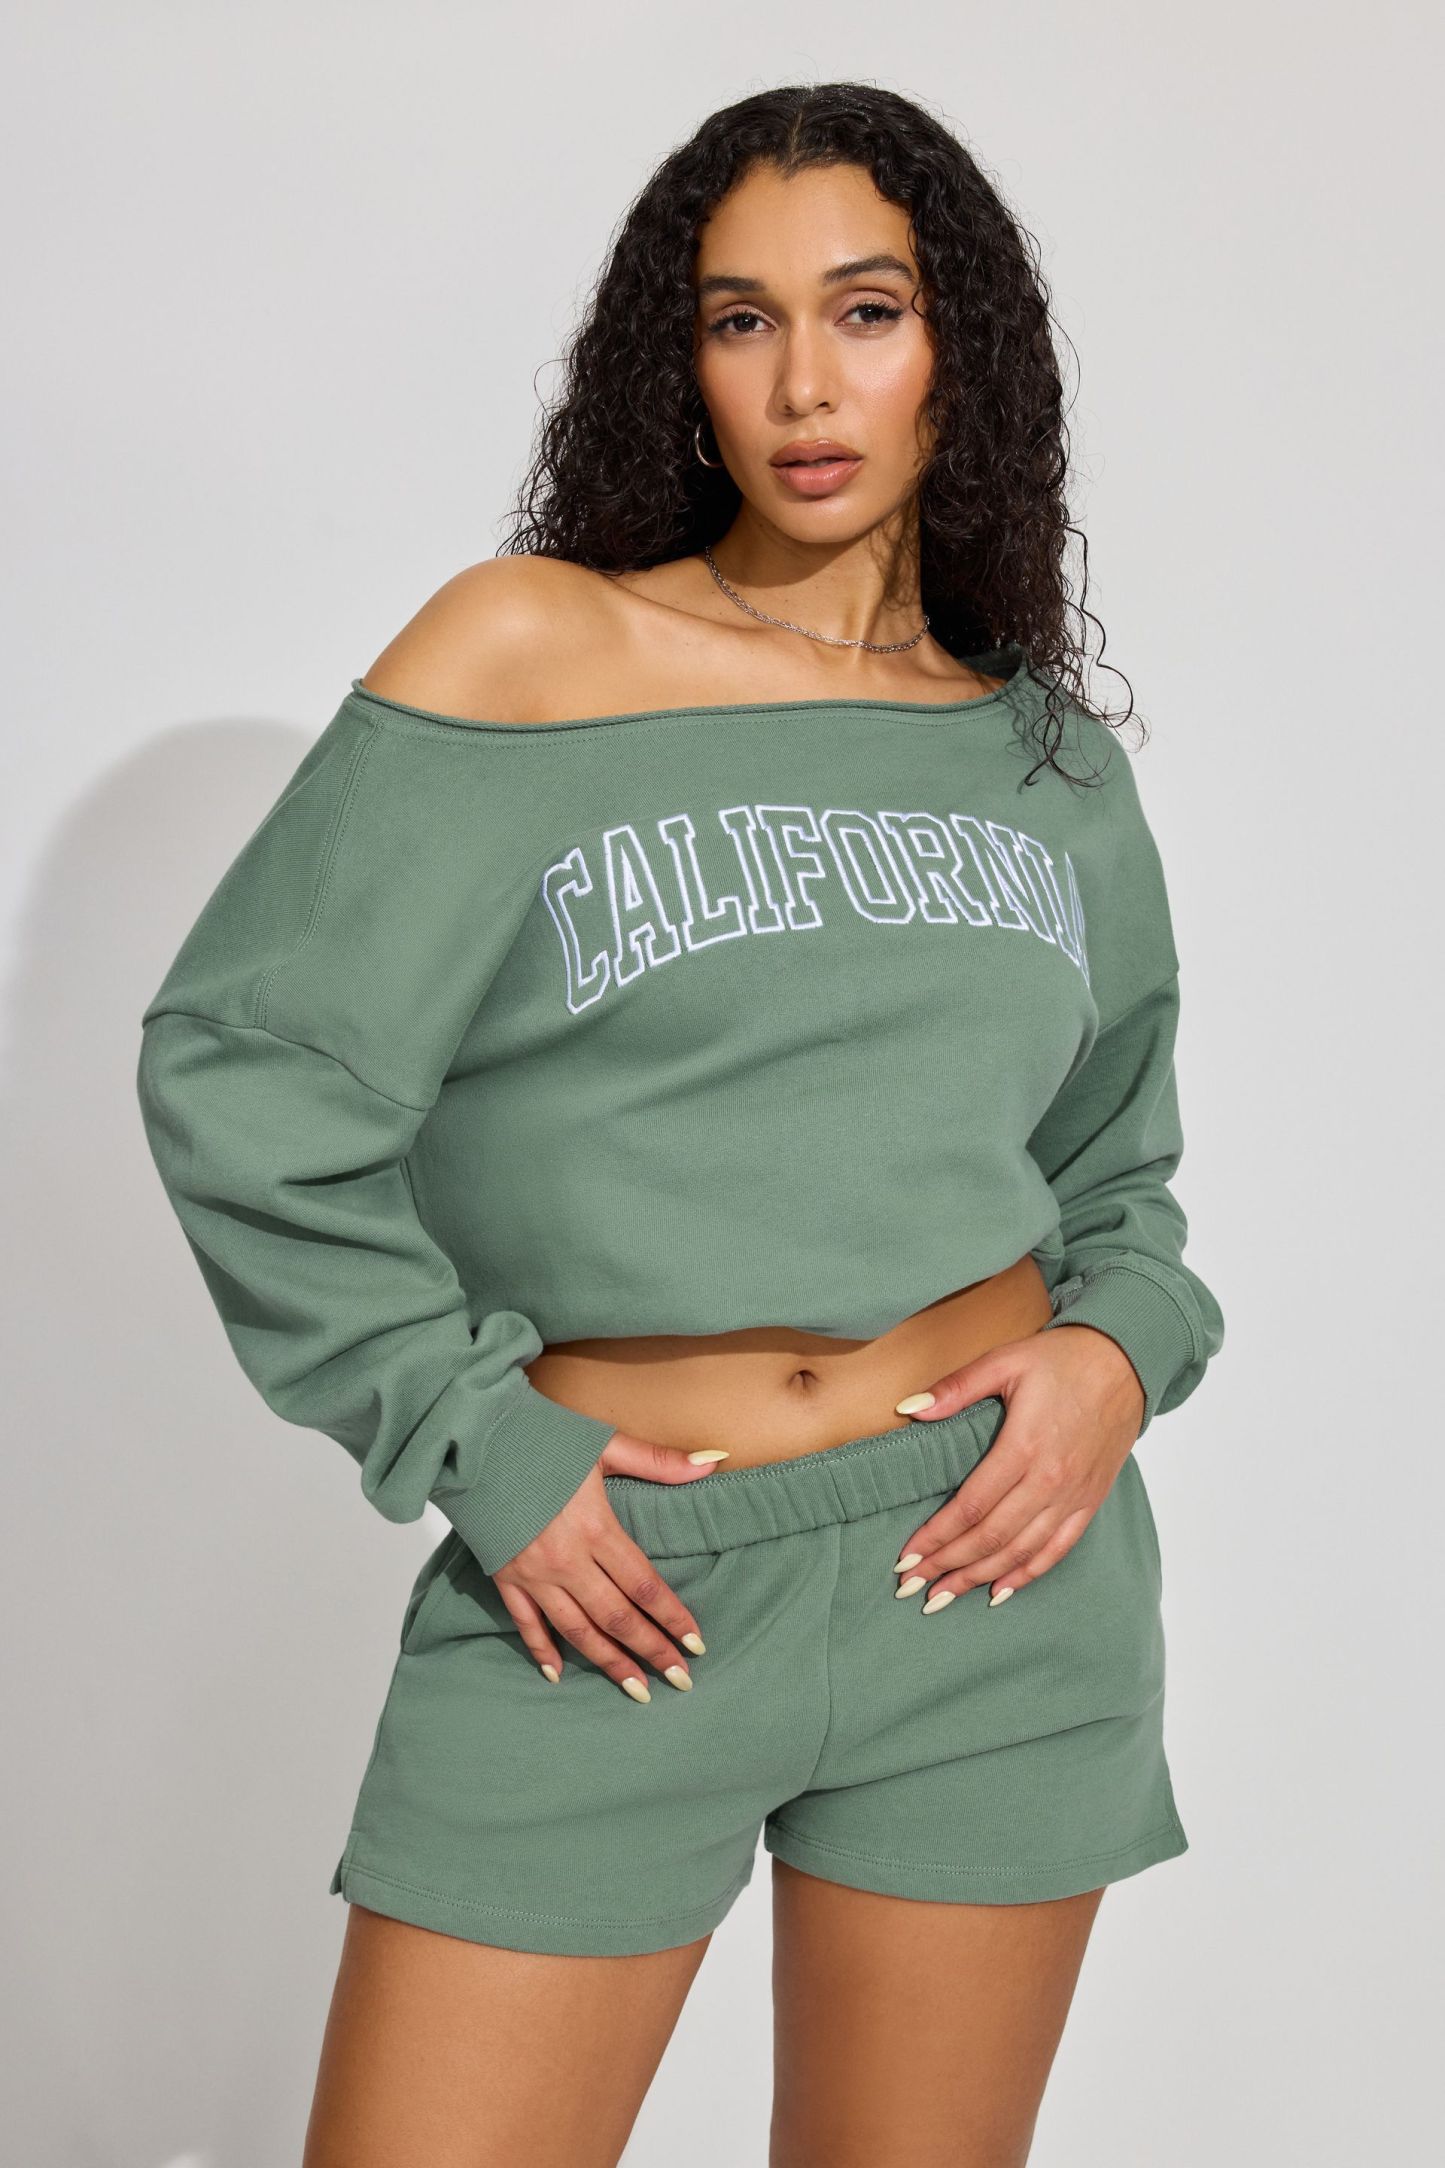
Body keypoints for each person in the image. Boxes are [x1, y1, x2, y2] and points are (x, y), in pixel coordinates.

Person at [135, 80, 1224, 2168]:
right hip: (611, 1578)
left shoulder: (1044, 760)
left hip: (996, 1576)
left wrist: (1117, 1355)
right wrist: (473, 1436)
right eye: (742, 321)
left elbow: (1117, 1173)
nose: (804, 383)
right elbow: (243, 1067)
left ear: (961, 353)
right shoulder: (532, 650)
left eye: (867, 311)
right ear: (682, 361)